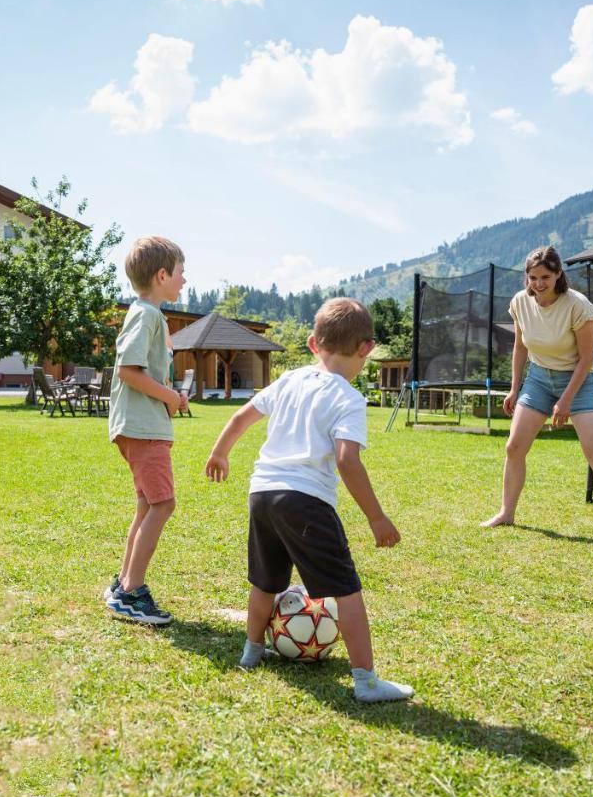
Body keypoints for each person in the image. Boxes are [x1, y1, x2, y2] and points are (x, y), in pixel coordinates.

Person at [205, 297, 413, 703]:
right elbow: (347, 459)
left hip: (262, 493)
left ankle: (251, 653)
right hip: (306, 501)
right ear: (366, 348)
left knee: (265, 581)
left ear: (313, 343)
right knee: (346, 590)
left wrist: (220, 452)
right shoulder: (350, 399)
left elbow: (241, 416)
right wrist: (376, 517)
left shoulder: (291, 379)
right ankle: (367, 682)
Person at [481, 245, 593, 550]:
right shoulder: (520, 302)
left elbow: (585, 359)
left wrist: (566, 400)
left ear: (557, 275)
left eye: (544, 276)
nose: (538, 284)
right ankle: (506, 513)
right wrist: (515, 388)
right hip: (539, 379)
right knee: (514, 447)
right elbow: (520, 347)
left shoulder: (577, 306)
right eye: (532, 277)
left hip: (580, 381)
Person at [103, 235, 189, 625]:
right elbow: (128, 370)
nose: (184, 281)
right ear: (161, 275)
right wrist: (171, 397)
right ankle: (132, 592)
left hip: (140, 426)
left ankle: (124, 585)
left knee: (147, 505)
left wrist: (169, 397)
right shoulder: (147, 315)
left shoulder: (149, 314)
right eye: (181, 273)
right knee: (162, 505)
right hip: (144, 428)